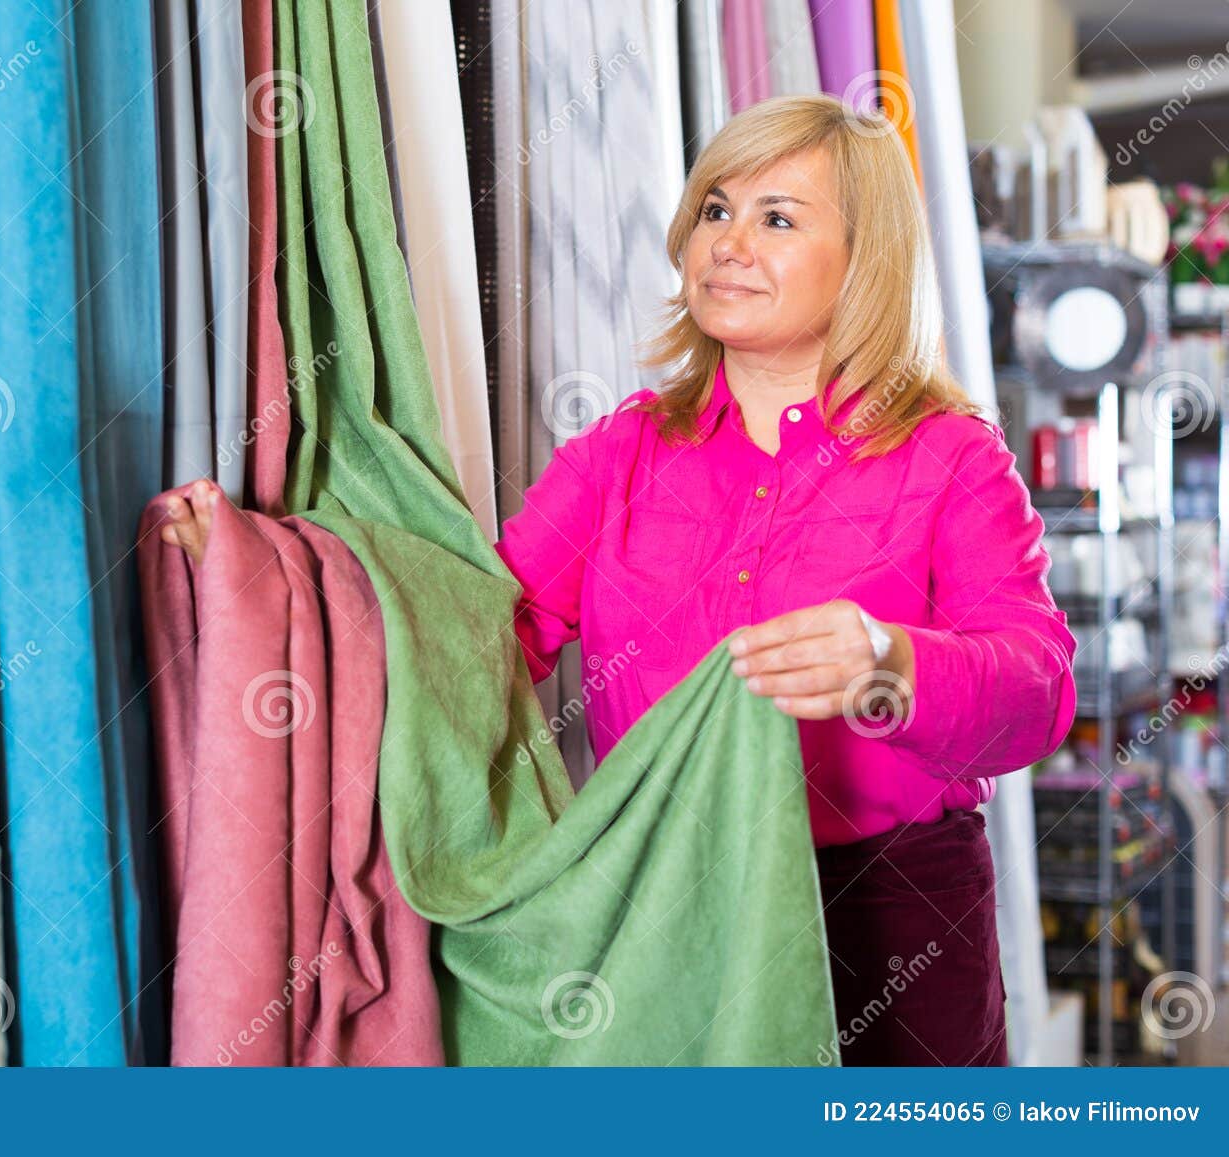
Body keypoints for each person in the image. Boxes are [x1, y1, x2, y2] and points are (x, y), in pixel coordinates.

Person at [160, 93, 1078, 1066]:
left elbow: (1037, 691)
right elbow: (472, 629)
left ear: (865, 260)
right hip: (663, 907)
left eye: (777, 218)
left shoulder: (946, 458)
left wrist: (888, 663)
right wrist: (271, 578)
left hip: (891, 916)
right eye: (715, 209)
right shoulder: (621, 453)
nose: (727, 242)